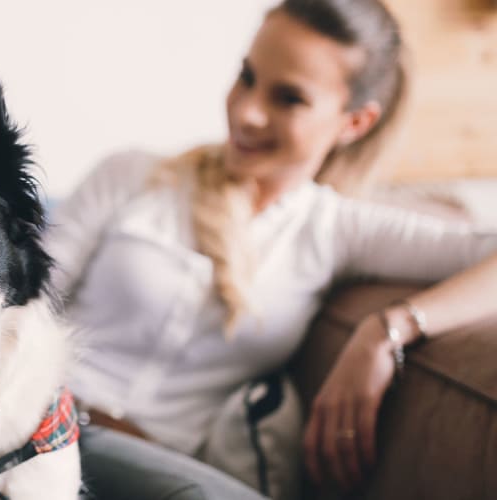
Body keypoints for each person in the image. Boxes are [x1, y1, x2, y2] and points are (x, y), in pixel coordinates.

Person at [45, 0, 497, 499]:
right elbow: (21, 300)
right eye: (246, 77)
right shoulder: (130, 175)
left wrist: (387, 330)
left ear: (355, 122)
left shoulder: (336, 230)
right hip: (39, 422)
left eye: (288, 98)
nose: (246, 111)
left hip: (155, 474)